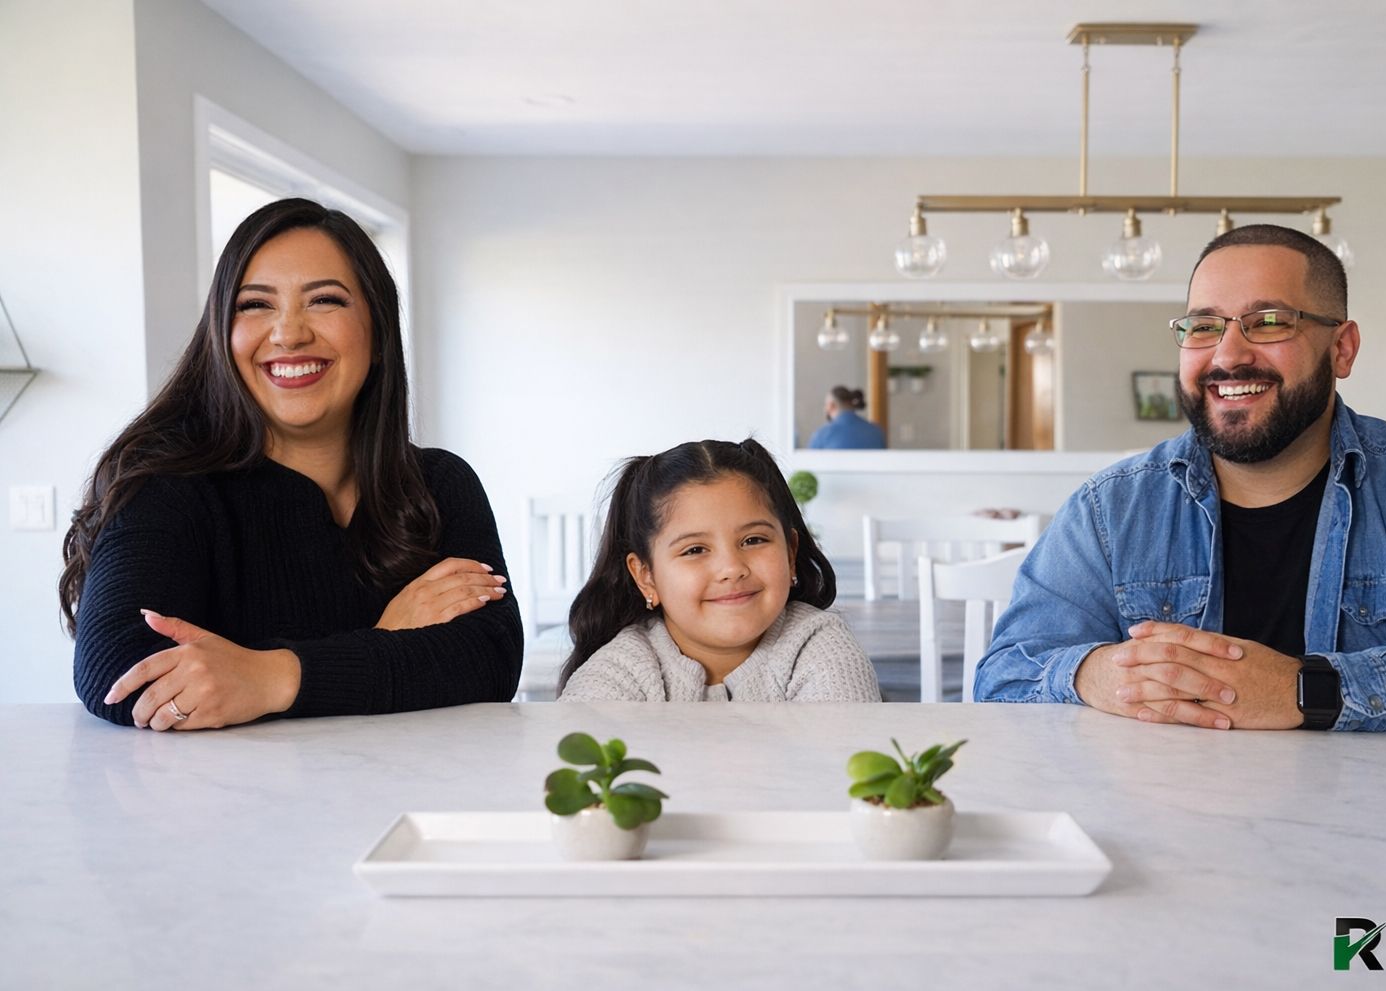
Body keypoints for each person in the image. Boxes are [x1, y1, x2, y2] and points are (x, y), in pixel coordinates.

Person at [975, 224, 1386, 731]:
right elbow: (1001, 677)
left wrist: (1307, 689)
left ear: (1341, 348)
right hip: (1164, 822)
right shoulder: (1111, 509)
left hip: (1383, 828)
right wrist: (1095, 672)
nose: (1228, 355)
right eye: (1203, 326)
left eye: (1269, 322)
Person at [62, 198, 523, 729]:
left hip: (414, 801)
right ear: (221, 335)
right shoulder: (168, 487)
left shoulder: (440, 485)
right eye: (255, 305)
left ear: (377, 335)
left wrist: (270, 677)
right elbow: (123, 675)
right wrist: (387, 642)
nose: (289, 333)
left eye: (324, 300)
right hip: (233, 807)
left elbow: (490, 659)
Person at [558, 438, 880, 702]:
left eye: (754, 540)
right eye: (694, 549)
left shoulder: (820, 646)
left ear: (790, 553)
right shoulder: (623, 667)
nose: (731, 569)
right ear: (646, 576)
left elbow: (839, 764)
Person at [807, 386, 886, 449]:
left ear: (831, 405)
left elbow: (810, 465)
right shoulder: (876, 432)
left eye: (825, 405)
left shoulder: (822, 435)